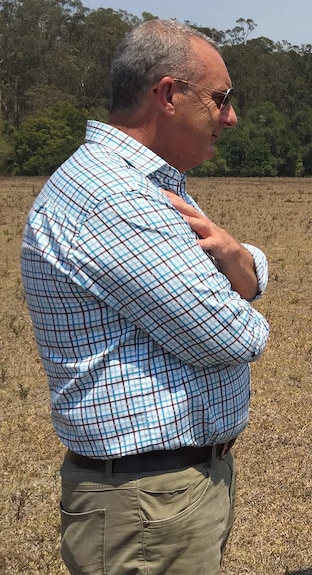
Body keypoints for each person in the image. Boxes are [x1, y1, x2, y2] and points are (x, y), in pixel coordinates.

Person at [20, 19, 270, 575]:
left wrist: (241, 262)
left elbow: (242, 273)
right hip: (145, 501)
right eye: (221, 99)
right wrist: (244, 281)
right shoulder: (116, 199)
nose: (231, 116)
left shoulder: (143, 187)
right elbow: (233, 335)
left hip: (161, 493)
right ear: (167, 95)